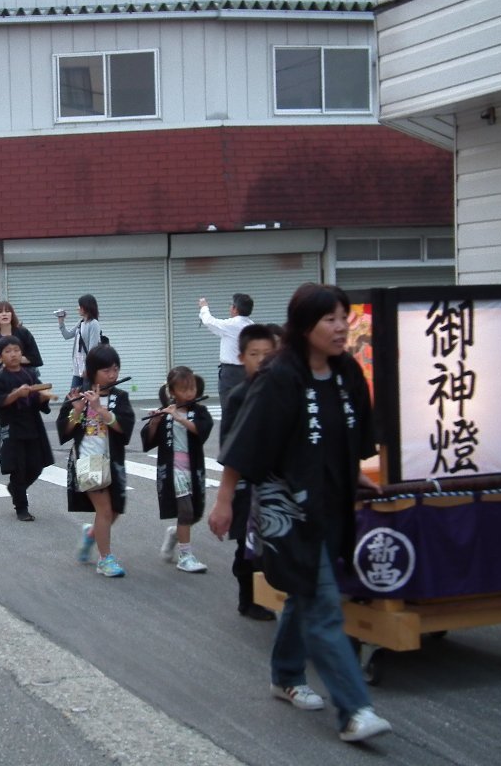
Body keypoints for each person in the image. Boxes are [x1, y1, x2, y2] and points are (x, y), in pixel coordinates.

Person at [209, 283, 391, 744]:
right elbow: (247, 441)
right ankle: (354, 710)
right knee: (324, 604)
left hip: (332, 502)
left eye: (343, 317)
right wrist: (225, 500)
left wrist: (354, 473)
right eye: (330, 319)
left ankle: (286, 674)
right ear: (306, 325)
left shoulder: (346, 371)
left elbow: (347, 435)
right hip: (287, 509)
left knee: (306, 591)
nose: (341, 327)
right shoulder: (280, 376)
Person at [57, 345, 135, 577]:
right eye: (106, 370)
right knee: (105, 510)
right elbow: (65, 431)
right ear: (92, 372)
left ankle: (92, 534)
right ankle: (105, 559)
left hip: (113, 459)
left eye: (115, 369)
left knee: (116, 509)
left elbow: (124, 428)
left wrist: (101, 410)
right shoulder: (77, 395)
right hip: (88, 459)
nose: (112, 375)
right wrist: (77, 411)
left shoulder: (120, 397)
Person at [219, 323, 278, 621]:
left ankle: (272, 593)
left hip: (275, 482)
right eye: (254, 354)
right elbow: (228, 443)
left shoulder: (284, 391)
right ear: (241, 358)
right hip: (246, 481)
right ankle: (248, 599)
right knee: (248, 541)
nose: (261, 359)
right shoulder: (239, 395)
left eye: (267, 353)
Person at [141, 366, 214, 573]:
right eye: (184, 389)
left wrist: (180, 417)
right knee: (186, 511)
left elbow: (202, 430)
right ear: (172, 392)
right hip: (174, 470)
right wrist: (155, 422)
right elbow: (149, 440)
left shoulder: (199, 412)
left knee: (195, 514)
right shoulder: (166, 412)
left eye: (192, 388)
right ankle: (185, 556)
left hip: (194, 468)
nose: (190, 393)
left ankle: (175, 533)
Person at [0, 335, 54, 521]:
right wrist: (16, 394)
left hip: (32, 424)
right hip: (12, 427)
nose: (13, 354)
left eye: (16, 350)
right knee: (18, 468)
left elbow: (38, 400)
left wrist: (43, 398)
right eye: (8, 351)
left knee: (37, 466)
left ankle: (16, 489)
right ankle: (21, 507)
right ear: (0, 356)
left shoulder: (30, 374)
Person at [198, 292, 254, 402]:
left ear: (235, 309)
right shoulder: (252, 325)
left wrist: (204, 307)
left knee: (228, 403)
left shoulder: (232, 324)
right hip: (248, 370)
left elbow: (209, 321)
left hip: (231, 372)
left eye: (231, 305)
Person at [0, 300, 43, 381]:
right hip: (1, 381)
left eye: (7, 311)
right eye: (0, 312)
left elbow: (35, 358)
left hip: (25, 379)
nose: (4, 314)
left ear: (12, 315)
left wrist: (13, 359)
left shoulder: (23, 333)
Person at [56, 294, 102, 390]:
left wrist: (87, 368)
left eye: (80, 306)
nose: (78, 308)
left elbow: (92, 349)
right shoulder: (81, 322)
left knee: (86, 395)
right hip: (78, 369)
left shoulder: (94, 324)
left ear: (86, 307)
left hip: (87, 369)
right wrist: (61, 321)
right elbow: (67, 335)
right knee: (74, 395)